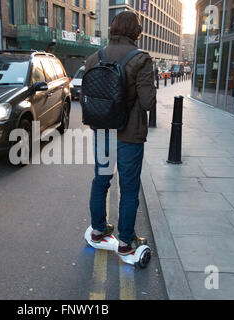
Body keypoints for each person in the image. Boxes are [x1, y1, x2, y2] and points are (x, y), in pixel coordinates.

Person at [84, 11, 156, 256]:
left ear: (113, 29)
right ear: (135, 31)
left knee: (101, 180)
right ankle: (126, 241)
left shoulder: (94, 57)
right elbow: (148, 102)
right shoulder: (142, 59)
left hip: (103, 130)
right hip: (129, 134)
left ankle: (98, 229)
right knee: (128, 187)